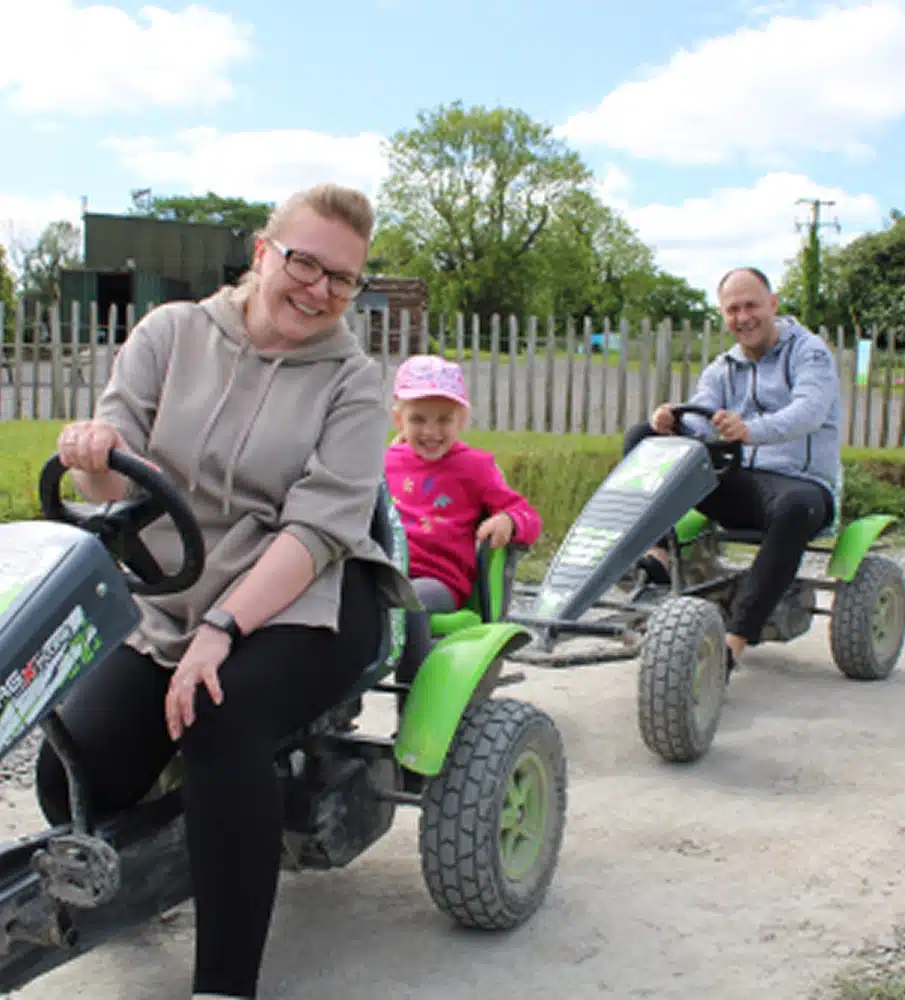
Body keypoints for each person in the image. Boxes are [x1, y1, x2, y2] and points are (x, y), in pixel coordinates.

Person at [35, 182, 419, 1000]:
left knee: (218, 712)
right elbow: (113, 477)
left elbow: (318, 530)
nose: (317, 289)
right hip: (168, 583)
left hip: (308, 591)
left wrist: (222, 627)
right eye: (303, 261)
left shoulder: (353, 379)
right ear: (261, 253)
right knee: (71, 766)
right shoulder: (171, 333)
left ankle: (224, 985)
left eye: (341, 278)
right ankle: (192, 827)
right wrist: (92, 452)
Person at [622, 266, 841, 675]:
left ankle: (733, 641)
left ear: (773, 305)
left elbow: (809, 412)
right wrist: (672, 423)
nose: (744, 317)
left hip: (801, 485)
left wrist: (750, 431)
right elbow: (703, 415)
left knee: (794, 505)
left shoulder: (809, 353)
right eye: (733, 309)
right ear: (723, 315)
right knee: (643, 437)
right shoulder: (723, 367)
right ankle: (655, 554)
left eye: (752, 305)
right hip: (740, 484)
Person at [384, 355, 542, 692]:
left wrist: (508, 520)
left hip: (437, 582)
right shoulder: (384, 462)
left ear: (462, 419)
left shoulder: (475, 467)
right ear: (398, 418)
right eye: (418, 419)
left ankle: (412, 713)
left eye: (444, 419)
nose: (430, 431)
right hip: (384, 571)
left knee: (408, 601)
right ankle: (333, 717)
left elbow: (529, 516)